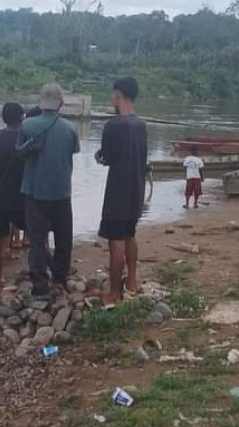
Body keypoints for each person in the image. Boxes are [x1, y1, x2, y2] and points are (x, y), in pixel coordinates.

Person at [19, 83, 80, 298]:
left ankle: (39, 285)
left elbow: (20, 154)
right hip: (62, 192)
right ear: (61, 103)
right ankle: (60, 278)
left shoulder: (27, 126)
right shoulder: (70, 128)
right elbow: (73, 151)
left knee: (37, 240)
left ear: (40, 102)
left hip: (34, 193)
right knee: (64, 238)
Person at [95, 78, 147, 306]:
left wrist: (99, 157)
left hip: (117, 192)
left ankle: (114, 293)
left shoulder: (113, 125)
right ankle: (132, 282)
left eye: (113, 95)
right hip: (136, 190)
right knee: (129, 236)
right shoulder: (141, 125)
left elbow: (107, 157)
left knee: (115, 243)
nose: (111, 100)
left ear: (119, 95)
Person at [0, 102, 27, 295]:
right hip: (22, 198)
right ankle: (41, 276)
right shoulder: (26, 141)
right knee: (38, 237)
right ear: (22, 118)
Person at [182, 145, 204, 209]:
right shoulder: (199, 160)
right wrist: (202, 178)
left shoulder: (187, 158)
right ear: (197, 151)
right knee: (197, 192)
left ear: (191, 151)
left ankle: (187, 204)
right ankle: (195, 204)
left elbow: (184, 167)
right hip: (197, 178)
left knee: (188, 191)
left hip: (190, 177)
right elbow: (200, 170)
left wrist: (187, 173)